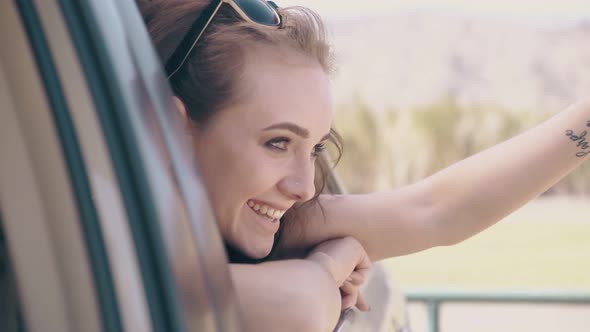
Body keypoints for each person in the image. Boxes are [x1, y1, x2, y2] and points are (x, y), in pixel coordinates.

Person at [140, 0, 590, 330]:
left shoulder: (259, 217)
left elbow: (436, 211)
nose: (304, 188)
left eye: (314, 148)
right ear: (174, 131)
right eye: (278, 142)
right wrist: (329, 263)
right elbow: (297, 308)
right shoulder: (109, 245)